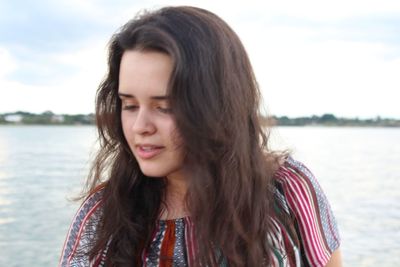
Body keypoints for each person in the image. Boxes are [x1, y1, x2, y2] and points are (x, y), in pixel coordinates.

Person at [59, 6, 341, 267]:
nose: (140, 126)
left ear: (216, 106)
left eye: (164, 107)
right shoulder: (103, 215)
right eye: (129, 105)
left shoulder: (286, 190)